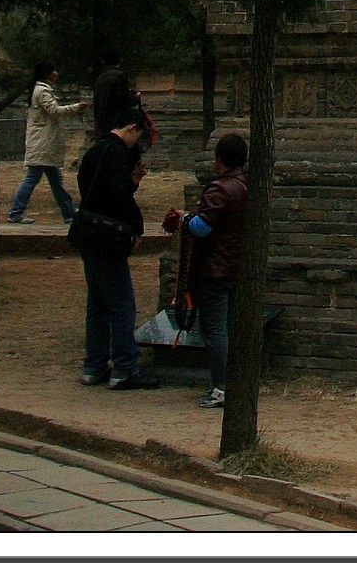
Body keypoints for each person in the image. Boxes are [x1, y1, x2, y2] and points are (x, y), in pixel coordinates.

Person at [73, 106, 159, 389]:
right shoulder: (118, 154)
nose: (138, 144)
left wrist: (131, 183)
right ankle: (125, 367)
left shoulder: (94, 151)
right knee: (122, 304)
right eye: (139, 136)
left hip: (86, 230)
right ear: (130, 128)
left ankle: (94, 365)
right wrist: (136, 227)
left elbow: (94, 190)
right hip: (108, 237)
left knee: (97, 303)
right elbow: (119, 196)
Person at [165, 133, 248, 410]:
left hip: (214, 269)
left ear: (220, 159)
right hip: (236, 266)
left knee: (214, 331)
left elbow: (202, 227)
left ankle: (221, 386)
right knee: (229, 327)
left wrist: (184, 218)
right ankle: (235, 382)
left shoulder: (219, 189)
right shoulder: (246, 186)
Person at [7, 61, 81, 224]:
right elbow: (54, 111)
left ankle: (68, 212)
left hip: (43, 142)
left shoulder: (39, 89)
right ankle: (16, 211)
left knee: (55, 180)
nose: (57, 73)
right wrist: (75, 107)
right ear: (47, 73)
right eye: (54, 70)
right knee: (33, 178)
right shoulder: (42, 91)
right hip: (43, 142)